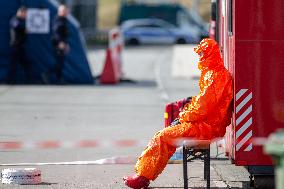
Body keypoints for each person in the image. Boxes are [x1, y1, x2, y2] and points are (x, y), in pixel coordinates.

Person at [123, 38, 233, 189]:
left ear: (210, 54)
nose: (200, 57)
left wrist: (182, 116)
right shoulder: (214, 74)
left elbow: (202, 107)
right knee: (164, 135)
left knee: (163, 136)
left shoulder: (216, 76)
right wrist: (185, 115)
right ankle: (143, 175)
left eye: (202, 53)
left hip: (207, 128)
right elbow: (202, 103)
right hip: (205, 124)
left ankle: (142, 177)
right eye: (199, 53)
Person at [43, 4, 69, 84]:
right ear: (60, 11)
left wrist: (66, 44)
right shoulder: (58, 19)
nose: (66, 12)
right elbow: (56, 32)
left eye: (66, 10)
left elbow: (64, 33)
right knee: (59, 62)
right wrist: (60, 42)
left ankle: (59, 78)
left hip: (62, 43)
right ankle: (47, 74)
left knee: (60, 62)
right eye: (64, 11)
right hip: (58, 44)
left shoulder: (64, 19)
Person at [7, 6, 31, 84]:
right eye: (25, 13)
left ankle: (29, 80)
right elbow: (16, 25)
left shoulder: (23, 21)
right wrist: (25, 29)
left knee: (26, 64)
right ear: (20, 12)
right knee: (13, 65)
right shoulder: (14, 19)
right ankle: (10, 80)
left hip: (21, 46)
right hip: (15, 46)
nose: (26, 15)